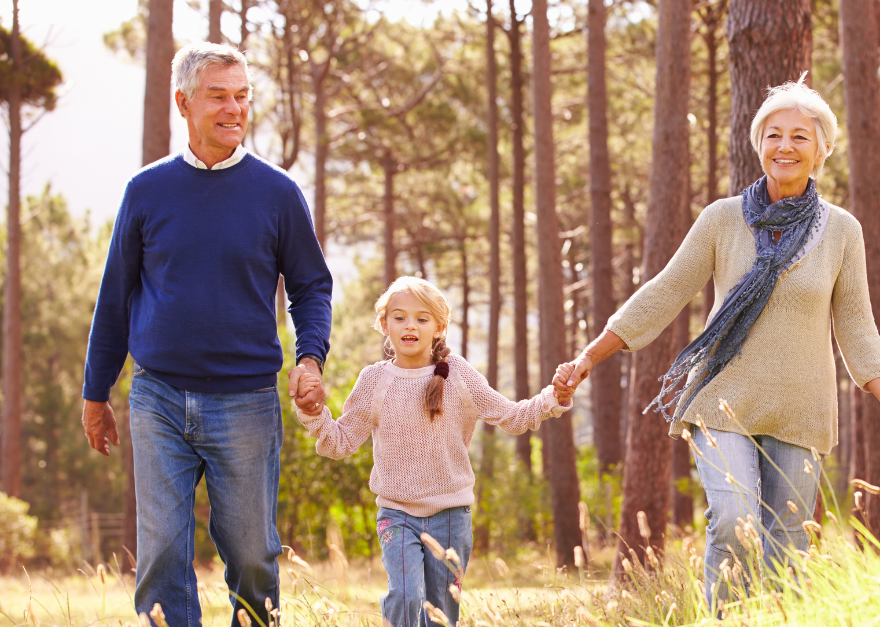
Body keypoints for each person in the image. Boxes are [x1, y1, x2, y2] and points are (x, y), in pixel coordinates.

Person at [561, 78, 880, 605]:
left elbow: (858, 326)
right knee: (733, 520)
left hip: (801, 409)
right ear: (759, 145)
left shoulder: (842, 231)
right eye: (774, 135)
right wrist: (590, 356)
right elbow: (664, 291)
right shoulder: (723, 219)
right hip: (723, 400)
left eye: (800, 136)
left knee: (788, 547)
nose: (785, 146)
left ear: (822, 149)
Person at [80, 43, 332, 627]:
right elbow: (114, 298)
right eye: (218, 95)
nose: (233, 108)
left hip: (245, 401)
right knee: (162, 553)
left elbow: (311, 287)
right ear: (184, 103)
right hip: (158, 397)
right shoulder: (145, 191)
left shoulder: (276, 193)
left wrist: (311, 358)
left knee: (251, 556)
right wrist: (96, 394)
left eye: (242, 96)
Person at [292, 277, 574, 627]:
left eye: (422, 319)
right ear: (385, 325)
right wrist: (314, 413)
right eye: (399, 317)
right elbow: (340, 442)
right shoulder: (374, 381)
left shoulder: (458, 376)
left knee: (441, 612)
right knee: (406, 595)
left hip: (452, 517)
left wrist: (554, 398)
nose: (410, 325)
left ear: (439, 328)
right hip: (396, 514)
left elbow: (512, 417)